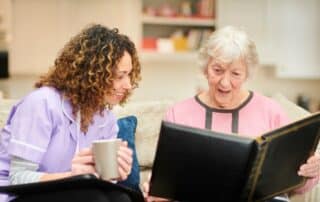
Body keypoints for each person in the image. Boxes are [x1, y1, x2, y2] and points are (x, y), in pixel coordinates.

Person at [143, 26, 320, 202]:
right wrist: (157, 192)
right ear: (205, 68)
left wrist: (310, 171)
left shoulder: (271, 112)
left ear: (247, 74)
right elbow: (165, 183)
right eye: (217, 70)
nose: (225, 82)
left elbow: (297, 186)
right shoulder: (178, 115)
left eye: (235, 74)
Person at [0, 24, 141, 202]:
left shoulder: (105, 118)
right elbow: (17, 178)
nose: (128, 85)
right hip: (16, 194)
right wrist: (73, 175)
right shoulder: (41, 104)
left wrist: (116, 172)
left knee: (122, 198)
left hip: (71, 192)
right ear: (93, 73)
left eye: (129, 75)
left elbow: (99, 180)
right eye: (120, 76)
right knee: (94, 198)